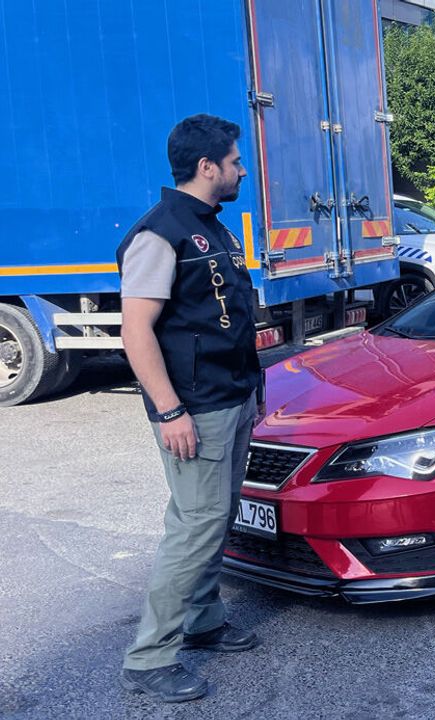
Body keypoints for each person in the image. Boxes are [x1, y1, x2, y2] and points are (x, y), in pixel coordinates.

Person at [117, 114, 264, 703]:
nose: (242, 170)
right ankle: (150, 658)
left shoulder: (213, 227)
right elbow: (136, 331)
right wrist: (169, 410)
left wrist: (252, 387)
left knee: (215, 516)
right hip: (194, 408)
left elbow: (226, 317)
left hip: (231, 396)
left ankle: (203, 620)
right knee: (196, 524)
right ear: (207, 167)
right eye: (234, 162)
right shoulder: (161, 234)